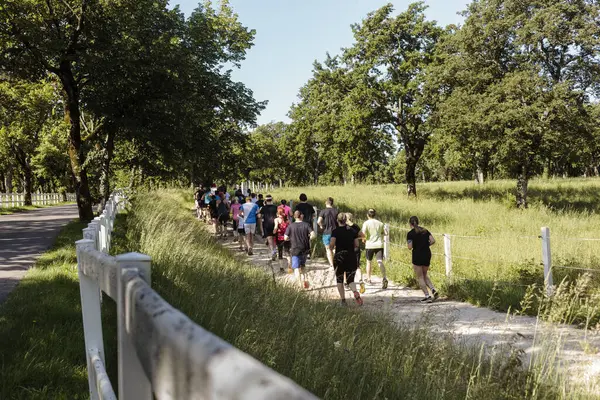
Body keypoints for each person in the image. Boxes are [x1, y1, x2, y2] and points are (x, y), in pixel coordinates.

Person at [330, 213, 363, 306]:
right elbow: (356, 245)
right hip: (351, 256)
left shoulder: (335, 231)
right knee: (350, 279)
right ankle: (355, 292)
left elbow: (332, 244)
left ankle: (343, 300)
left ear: (337, 220)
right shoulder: (352, 231)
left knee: (339, 279)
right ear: (346, 221)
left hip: (339, 257)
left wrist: (331, 247)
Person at [407, 216, 439, 303]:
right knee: (424, 274)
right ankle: (433, 289)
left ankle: (427, 295)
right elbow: (432, 241)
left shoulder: (410, 234)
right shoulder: (425, 230)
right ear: (418, 222)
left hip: (417, 255)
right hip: (427, 254)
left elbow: (410, 247)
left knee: (420, 277)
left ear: (410, 224)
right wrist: (425, 245)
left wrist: (416, 245)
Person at [284, 210, 315, 289]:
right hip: (305, 248)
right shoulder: (306, 225)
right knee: (303, 266)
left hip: (295, 249)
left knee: (296, 268)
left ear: (294, 216)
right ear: (301, 216)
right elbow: (313, 235)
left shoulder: (291, 226)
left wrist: (290, 238)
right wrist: (309, 238)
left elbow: (285, 237)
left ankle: (300, 284)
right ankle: (304, 280)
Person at [362, 208, 388, 289]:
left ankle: (369, 279)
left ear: (367, 215)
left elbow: (363, 234)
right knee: (380, 261)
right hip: (379, 245)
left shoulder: (366, 223)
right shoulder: (380, 223)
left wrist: (364, 239)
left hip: (369, 245)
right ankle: (384, 278)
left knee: (369, 262)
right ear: (375, 215)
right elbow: (386, 233)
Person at [346, 213, 366, 293]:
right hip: (356, 248)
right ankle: (360, 281)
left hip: (347, 248)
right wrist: (358, 237)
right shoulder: (356, 226)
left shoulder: (343, 227)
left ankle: (346, 283)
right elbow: (363, 235)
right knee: (357, 266)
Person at [317, 197, 338, 268]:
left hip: (326, 232)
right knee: (335, 249)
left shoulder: (323, 211)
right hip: (335, 232)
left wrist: (321, 226)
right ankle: (337, 263)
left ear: (326, 203)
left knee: (328, 249)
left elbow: (318, 221)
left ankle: (332, 265)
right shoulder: (336, 211)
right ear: (332, 203)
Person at [259, 195, 278, 260]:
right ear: (271, 200)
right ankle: (275, 250)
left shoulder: (263, 208)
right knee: (274, 238)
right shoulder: (276, 207)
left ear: (265, 200)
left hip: (266, 224)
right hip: (275, 223)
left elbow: (259, 216)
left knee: (269, 239)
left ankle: (272, 252)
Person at [273, 208, 291, 273]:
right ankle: (289, 266)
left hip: (279, 238)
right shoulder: (287, 220)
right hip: (287, 238)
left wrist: (274, 231)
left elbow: (275, 227)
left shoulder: (276, 220)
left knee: (280, 252)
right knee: (287, 252)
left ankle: (281, 267)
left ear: (277, 214)